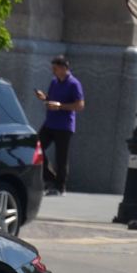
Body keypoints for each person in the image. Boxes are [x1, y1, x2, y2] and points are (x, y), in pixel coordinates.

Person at [35, 54, 84, 196]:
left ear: (63, 68)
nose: (53, 71)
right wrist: (44, 98)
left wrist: (60, 106)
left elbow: (80, 105)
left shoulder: (74, 84)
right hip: (50, 123)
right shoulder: (54, 82)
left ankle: (60, 186)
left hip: (64, 126)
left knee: (61, 157)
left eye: (55, 68)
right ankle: (50, 177)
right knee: (36, 148)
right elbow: (51, 100)